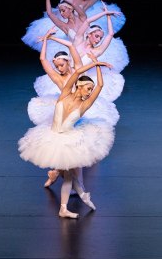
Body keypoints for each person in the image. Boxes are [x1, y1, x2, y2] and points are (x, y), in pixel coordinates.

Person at [18, 60, 115, 218]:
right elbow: (77, 72)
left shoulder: (84, 105)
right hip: (52, 137)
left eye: (91, 90)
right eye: (88, 88)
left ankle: (66, 205)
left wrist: (98, 67)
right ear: (79, 86)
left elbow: (100, 86)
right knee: (69, 175)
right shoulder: (65, 94)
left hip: (68, 140)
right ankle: (79, 195)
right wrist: (95, 63)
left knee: (69, 175)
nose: (90, 92)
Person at [28, 27, 120, 188]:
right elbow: (43, 60)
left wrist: (52, 38)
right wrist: (45, 41)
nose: (59, 69)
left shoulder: (77, 67)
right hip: (64, 111)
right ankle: (63, 176)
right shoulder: (58, 78)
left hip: (78, 109)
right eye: (57, 66)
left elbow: (71, 46)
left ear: (67, 62)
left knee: (75, 147)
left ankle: (60, 175)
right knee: (63, 145)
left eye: (61, 65)